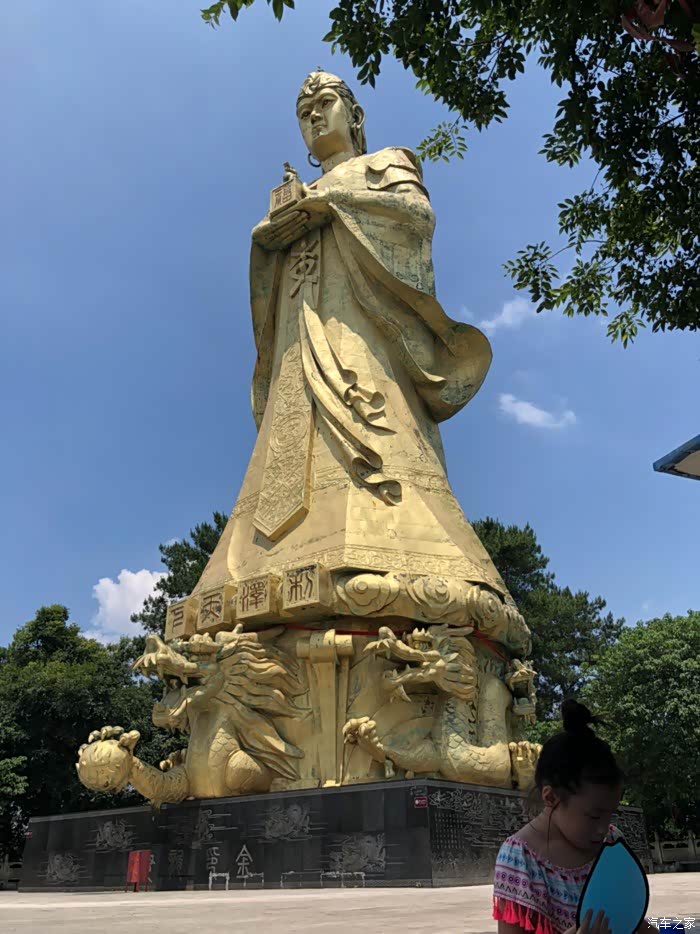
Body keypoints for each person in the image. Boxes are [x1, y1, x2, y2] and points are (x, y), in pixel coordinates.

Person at [493, 699, 650, 934]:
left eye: (610, 815)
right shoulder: (519, 858)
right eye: (594, 816)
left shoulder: (611, 842)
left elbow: (632, 921)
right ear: (551, 797)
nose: (603, 828)